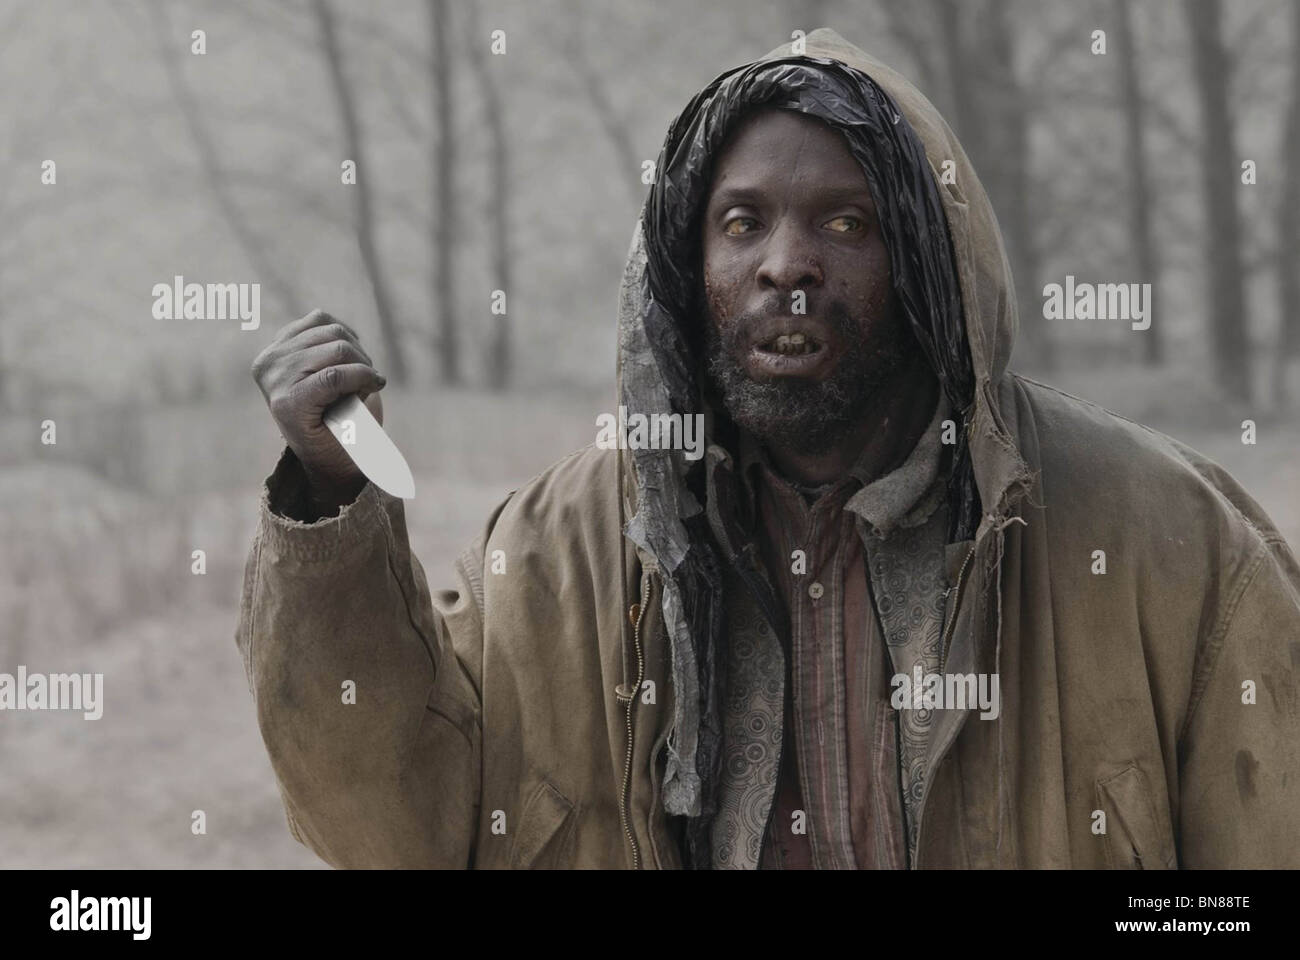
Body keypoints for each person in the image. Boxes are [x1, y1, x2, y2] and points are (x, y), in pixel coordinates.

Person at [238, 28, 1300, 868]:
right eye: (741, 222)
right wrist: (329, 501)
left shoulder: (1164, 539)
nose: (785, 263)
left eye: (846, 225)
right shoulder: (558, 558)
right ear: (685, 267)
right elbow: (392, 830)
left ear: (925, 262)